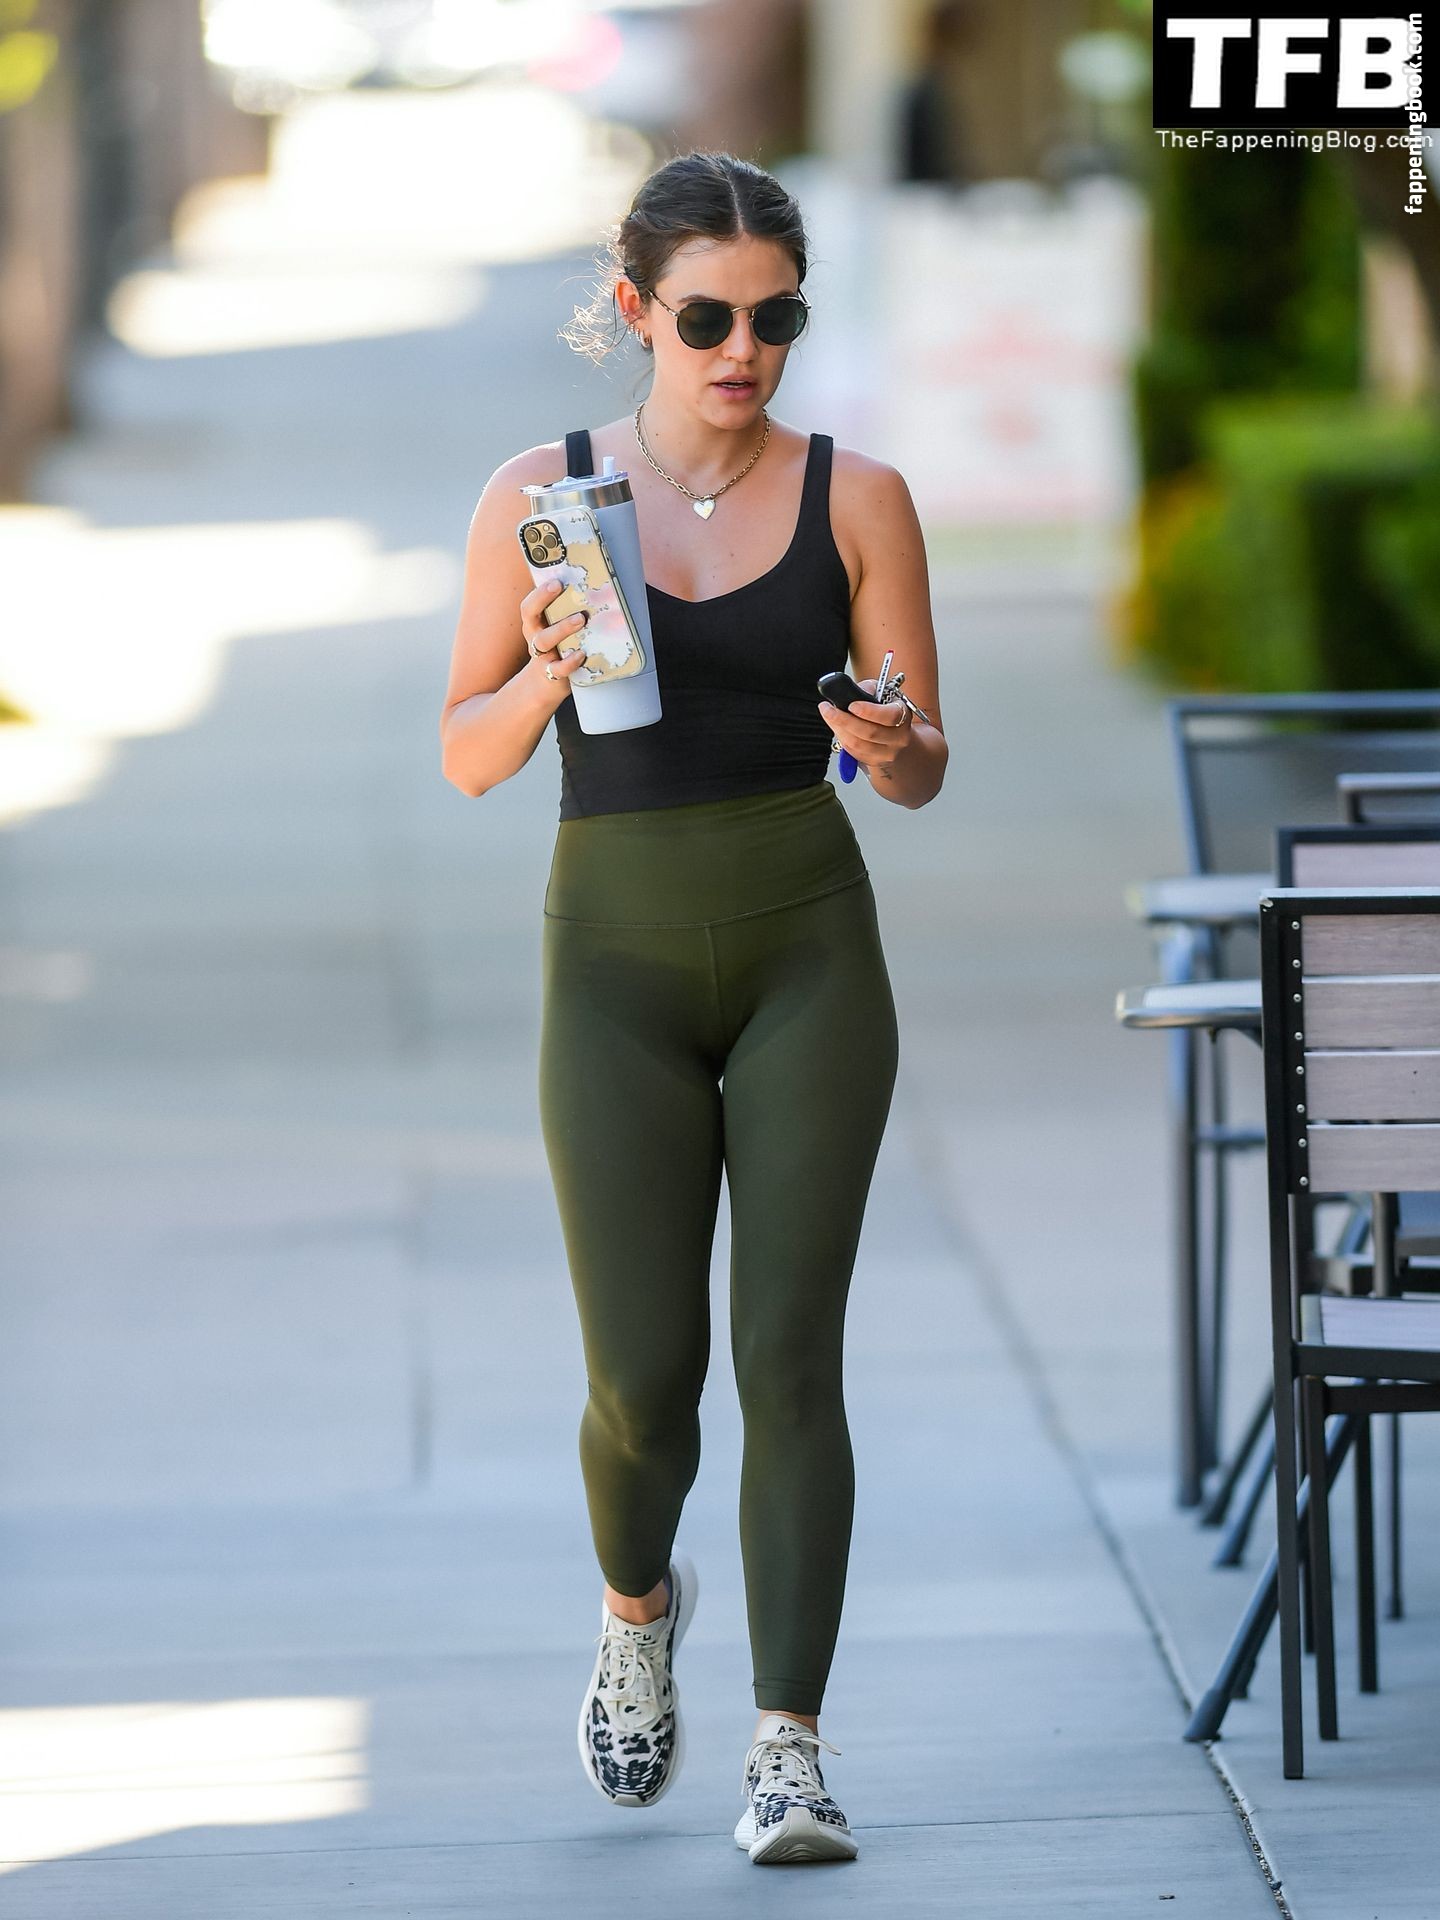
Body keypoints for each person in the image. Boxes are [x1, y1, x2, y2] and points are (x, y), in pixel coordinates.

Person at [439, 149, 946, 1866]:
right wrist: (542, 671)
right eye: (711, 318)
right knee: (644, 1386)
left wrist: (891, 741)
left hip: (811, 950)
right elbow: (465, 755)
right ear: (638, 309)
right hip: (613, 968)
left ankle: (789, 1748)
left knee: (792, 1361)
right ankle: (637, 1610)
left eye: (776, 319)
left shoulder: (859, 496)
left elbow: (922, 765)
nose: (745, 351)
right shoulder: (543, 492)